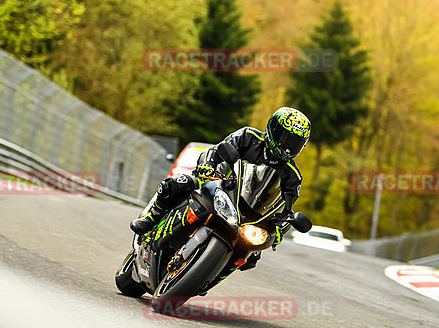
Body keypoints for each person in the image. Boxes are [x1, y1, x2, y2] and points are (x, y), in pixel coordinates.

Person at [129, 107, 311, 267]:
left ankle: (208, 273)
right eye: (286, 139)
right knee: (177, 184)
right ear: (273, 129)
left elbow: (286, 207)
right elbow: (215, 151)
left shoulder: (292, 175)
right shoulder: (248, 136)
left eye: (295, 143)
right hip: (218, 183)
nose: (288, 148)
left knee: (253, 252)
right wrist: (208, 167)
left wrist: (280, 227)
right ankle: (150, 218)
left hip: (249, 212)